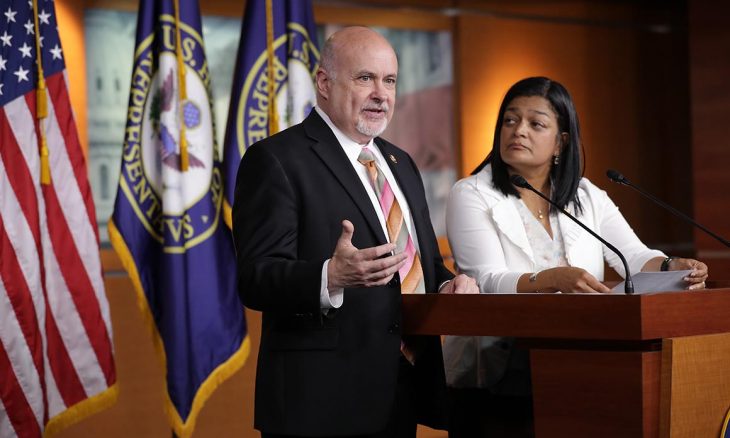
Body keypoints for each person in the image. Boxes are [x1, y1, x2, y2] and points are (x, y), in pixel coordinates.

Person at [232, 26, 478, 438]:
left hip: (400, 390)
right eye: (365, 78)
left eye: (390, 80)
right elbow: (255, 278)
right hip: (320, 403)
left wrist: (449, 285)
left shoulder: (401, 163)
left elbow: (422, 265)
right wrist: (329, 276)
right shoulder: (276, 160)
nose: (381, 94)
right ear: (324, 83)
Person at [443, 76, 709, 437]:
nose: (518, 130)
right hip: (500, 371)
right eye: (510, 120)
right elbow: (486, 280)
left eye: (536, 123)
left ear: (561, 141)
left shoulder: (585, 195)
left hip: (580, 362)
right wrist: (551, 279)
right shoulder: (471, 193)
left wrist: (670, 265)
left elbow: (632, 256)